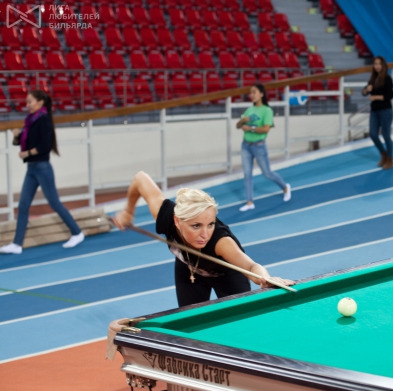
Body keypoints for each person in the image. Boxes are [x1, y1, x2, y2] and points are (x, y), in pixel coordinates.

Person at [112, 171, 294, 307]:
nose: (205, 234)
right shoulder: (166, 216)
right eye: (196, 226)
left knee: (239, 323)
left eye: (210, 224)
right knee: (189, 322)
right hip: (189, 269)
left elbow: (252, 267)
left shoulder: (221, 242)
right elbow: (140, 178)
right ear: (177, 221)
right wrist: (128, 210)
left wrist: (265, 278)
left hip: (226, 275)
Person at [0, 90, 84, 255]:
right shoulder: (30, 120)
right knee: (23, 205)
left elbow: (45, 146)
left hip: (42, 168)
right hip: (32, 168)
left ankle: (77, 232)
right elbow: (22, 141)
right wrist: (17, 136)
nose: (27, 105)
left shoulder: (43, 120)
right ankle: (17, 244)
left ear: (40, 103)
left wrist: (27, 153)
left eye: (30, 102)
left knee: (54, 203)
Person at [237, 84, 291, 212]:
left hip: (259, 147)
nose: (252, 95)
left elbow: (266, 129)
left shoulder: (267, 111)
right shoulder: (249, 110)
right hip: (246, 146)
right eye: (250, 92)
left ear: (261, 94)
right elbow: (238, 125)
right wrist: (243, 120)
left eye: (254, 92)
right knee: (247, 174)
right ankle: (249, 202)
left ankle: (285, 187)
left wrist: (250, 128)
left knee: (267, 173)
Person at [362, 56, 393, 170]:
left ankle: (390, 159)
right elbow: (364, 92)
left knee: (386, 135)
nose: (377, 66)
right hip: (374, 111)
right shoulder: (373, 79)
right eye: (375, 64)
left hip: (385, 111)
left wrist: (375, 97)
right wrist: (366, 90)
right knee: (373, 134)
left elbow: (390, 95)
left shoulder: (387, 79)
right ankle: (383, 154)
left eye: (379, 64)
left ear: (383, 65)